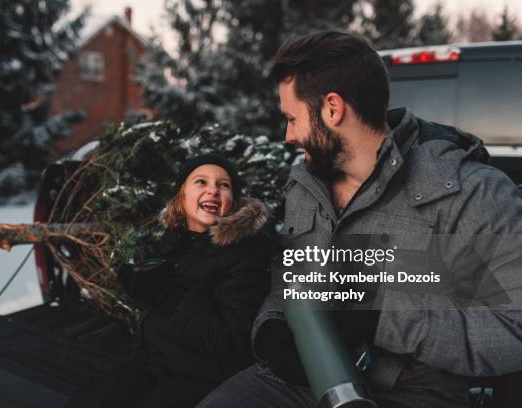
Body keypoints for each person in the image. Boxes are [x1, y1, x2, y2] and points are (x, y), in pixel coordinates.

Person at [198, 31, 522, 408]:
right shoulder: (305, 184)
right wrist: (270, 326)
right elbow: (290, 278)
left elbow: (514, 330)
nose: (287, 136)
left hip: (415, 392)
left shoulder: (471, 193)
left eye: (292, 118)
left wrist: (380, 318)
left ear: (333, 109)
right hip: (304, 379)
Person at [73, 154, 271, 408]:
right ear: (181, 195)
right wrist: (138, 285)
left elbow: (229, 336)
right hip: (151, 362)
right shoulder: (175, 240)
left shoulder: (246, 252)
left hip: (202, 376)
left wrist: (165, 293)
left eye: (224, 185)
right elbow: (165, 307)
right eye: (201, 182)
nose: (213, 190)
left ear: (233, 202)